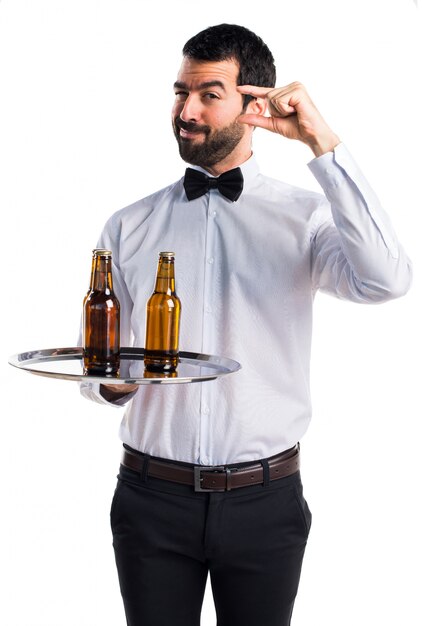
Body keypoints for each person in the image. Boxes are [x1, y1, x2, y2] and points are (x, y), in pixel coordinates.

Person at [80, 23, 412, 626]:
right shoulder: (126, 226)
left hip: (266, 502)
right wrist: (113, 384)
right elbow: (100, 362)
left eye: (209, 93)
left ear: (253, 103)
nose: (186, 110)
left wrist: (323, 144)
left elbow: (385, 280)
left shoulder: (306, 216)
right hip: (150, 498)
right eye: (181, 92)